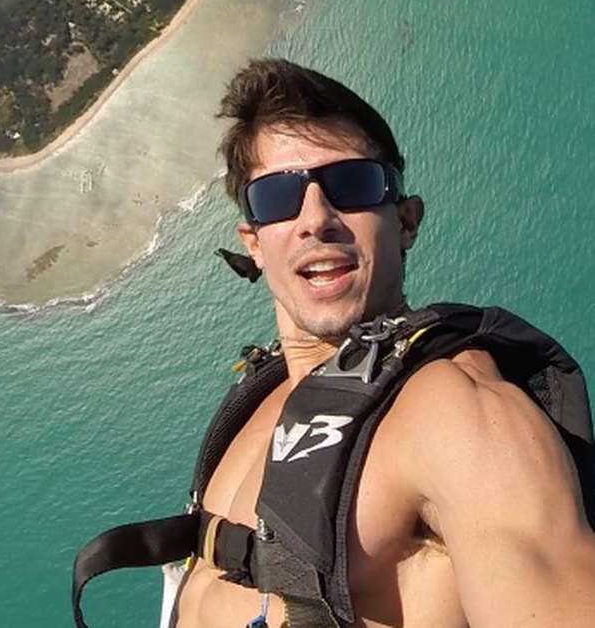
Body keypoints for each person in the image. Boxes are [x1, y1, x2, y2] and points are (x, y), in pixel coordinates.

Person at [73, 58, 595, 627]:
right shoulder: (258, 399)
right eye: (277, 198)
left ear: (406, 222)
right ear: (253, 242)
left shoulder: (456, 414)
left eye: (352, 185)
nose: (317, 218)